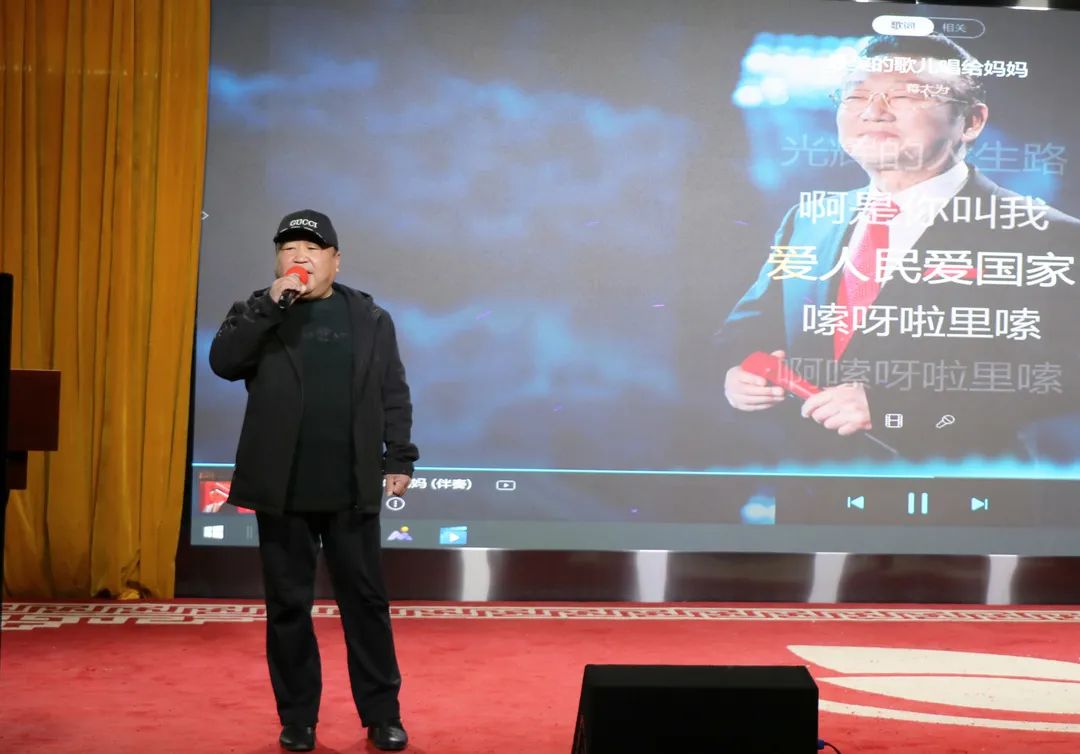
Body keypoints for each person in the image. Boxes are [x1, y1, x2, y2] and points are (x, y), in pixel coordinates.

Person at [716, 33, 1079, 463]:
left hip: (959, 481)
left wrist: (895, 408)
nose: (874, 112)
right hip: (809, 480)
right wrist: (738, 372)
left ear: (971, 121)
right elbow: (752, 325)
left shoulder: (1049, 235)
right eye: (856, 97)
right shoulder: (810, 218)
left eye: (905, 96)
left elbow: (1065, 375)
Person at [209, 209, 418, 752]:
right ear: (277, 260)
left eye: (311, 248)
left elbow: (393, 391)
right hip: (282, 488)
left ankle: (382, 715)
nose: (299, 257)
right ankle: (298, 717)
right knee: (288, 607)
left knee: (366, 605)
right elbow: (223, 363)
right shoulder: (258, 311)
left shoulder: (370, 317)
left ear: (335, 260)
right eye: (288, 248)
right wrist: (269, 306)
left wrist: (399, 458)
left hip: (350, 487)